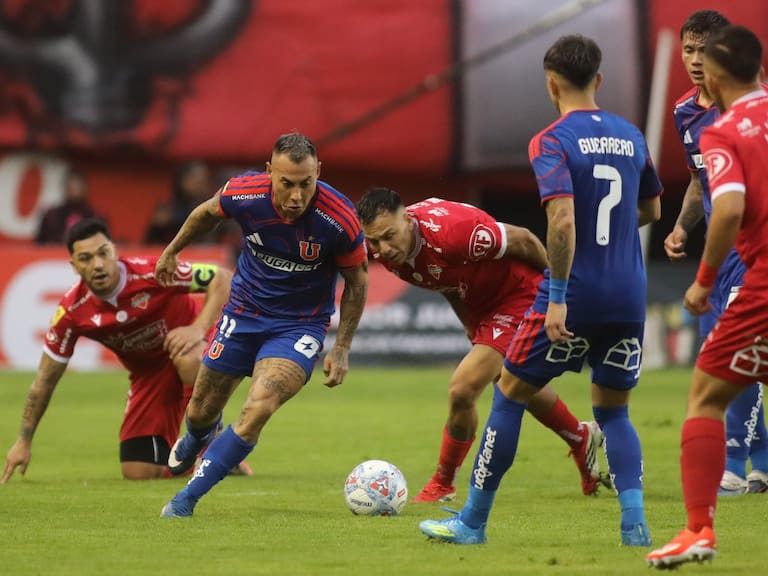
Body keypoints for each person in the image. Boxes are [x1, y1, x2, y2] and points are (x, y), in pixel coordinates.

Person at [419, 34, 662, 547]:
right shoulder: (632, 136)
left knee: (508, 394)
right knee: (614, 412)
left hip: (576, 293)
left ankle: (471, 523)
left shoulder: (551, 140)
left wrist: (555, 295)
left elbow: (563, 219)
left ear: (551, 84)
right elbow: (652, 212)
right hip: (629, 294)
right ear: (598, 80)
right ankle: (635, 526)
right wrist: (612, 226)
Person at [158, 131, 368, 518]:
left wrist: (341, 347)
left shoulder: (338, 218)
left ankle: (186, 499)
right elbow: (204, 214)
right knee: (201, 410)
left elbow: (358, 281)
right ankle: (199, 433)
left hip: (298, 327)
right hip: (243, 313)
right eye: (287, 184)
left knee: (258, 408)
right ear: (270, 172)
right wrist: (172, 250)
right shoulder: (245, 193)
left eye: (306, 184)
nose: (296, 197)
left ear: (318, 172)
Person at [357, 188, 605, 502]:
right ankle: (580, 437)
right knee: (513, 383)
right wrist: (470, 325)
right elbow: (444, 282)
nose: (382, 249)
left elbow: (525, 240)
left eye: (389, 236)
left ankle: (443, 483)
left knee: (462, 388)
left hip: (521, 294)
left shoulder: (456, 234)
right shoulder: (393, 254)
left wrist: (556, 297)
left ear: (407, 219)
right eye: (374, 242)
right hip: (483, 307)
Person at [647, 25, 768, 569]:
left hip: (757, 273)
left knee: (705, 393)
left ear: (716, 77)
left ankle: (699, 529)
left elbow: (732, 208)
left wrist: (702, 277)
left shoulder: (723, 129)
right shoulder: (695, 116)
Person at [2, 217, 236, 481]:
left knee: (189, 359)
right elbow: (44, 381)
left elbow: (223, 278)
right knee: (138, 472)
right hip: (149, 375)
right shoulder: (72, 313)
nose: (98, 264)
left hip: (191, 345)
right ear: (74, 266)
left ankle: (211, 445)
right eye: (86, 258)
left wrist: (196, 328)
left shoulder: (151, 272)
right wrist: (23, 441)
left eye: (103, 253)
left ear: (114, 250)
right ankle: (218, 464)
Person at [144, 161, 215, 245]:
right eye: (194, 177)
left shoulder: (212, 208)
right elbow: (151, 241)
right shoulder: (167, 208)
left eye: (203, 179)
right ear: (181, 180)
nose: (199, 182)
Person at [35, 169, 100, 244]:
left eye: (78, 186)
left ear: (85, 188)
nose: (74, 189)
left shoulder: (95, 217)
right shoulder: (51, 216)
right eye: (72, 186)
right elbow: (39, 246)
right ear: (65, 187)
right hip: (56, 255)